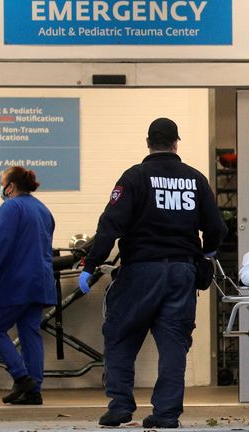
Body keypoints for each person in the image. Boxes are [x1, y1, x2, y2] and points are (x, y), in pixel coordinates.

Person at [79, 118, 227, 428]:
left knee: (119, 335)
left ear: (148, 142)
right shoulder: (195, 179)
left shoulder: (135, 178)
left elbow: (110, 226)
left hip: (141, 272)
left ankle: (120, 406)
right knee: (174, 343)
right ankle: (166, 414)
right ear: (176, 143)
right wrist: (208, 254)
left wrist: (91, 264)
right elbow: (216, 227)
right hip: (182, 274)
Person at [0, 167, 55, 405]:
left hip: (16, 283)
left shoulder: (11, 208)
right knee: (29, 332)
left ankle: (21, 377)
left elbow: (0, 246)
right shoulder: (43, 209)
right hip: (40, 283)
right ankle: (33, 391)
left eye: (2, 183)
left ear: (10, 186)